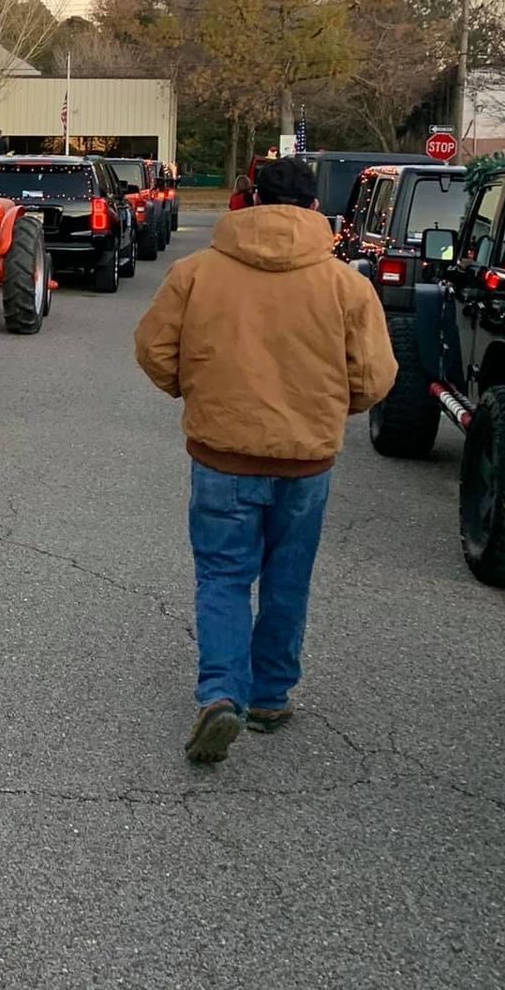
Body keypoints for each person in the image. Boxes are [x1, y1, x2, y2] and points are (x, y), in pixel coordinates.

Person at [133, 156, 396, 765]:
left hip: (220, 455)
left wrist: (191, 390)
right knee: (288, 574)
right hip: (307, 460)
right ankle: (272, 694)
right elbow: (374, 377)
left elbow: (154, 350)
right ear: (313, 209)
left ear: (247, 201)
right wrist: (332, 411)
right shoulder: (346, 285)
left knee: (223, 575)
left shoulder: (196, 274)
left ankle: (223, 693)